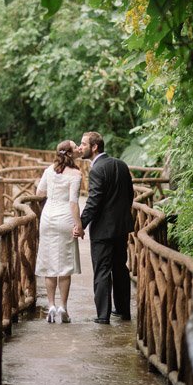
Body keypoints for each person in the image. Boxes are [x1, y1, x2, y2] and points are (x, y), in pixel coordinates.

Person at [74, 131, 135, 324]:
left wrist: (81, 224)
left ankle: (103, 315)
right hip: (122, 227)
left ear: (94, 147)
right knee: (120, 268)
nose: (80, 147)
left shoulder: (97, 170)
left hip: (103, 230)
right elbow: (130, 195)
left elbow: (93, 202)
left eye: (83, 144)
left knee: (102, 270)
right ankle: (124, 310)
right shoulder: (121, 165)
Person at [35, 140, 83, 323]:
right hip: (65, 218)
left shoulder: (49, 170)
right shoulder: (76, 174)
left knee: (49, 263)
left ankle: (51, 306)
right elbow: (73, 202)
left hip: (47, 218)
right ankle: (63, 307)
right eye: (75, 146)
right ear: (70, 153)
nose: (79, 147)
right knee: (64, 265)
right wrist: (78, 225)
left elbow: (39, 194)